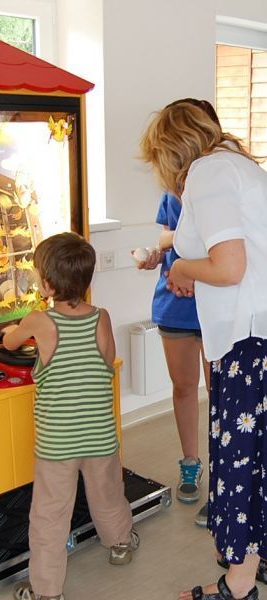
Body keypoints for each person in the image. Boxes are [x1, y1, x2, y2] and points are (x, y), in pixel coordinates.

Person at [140, 101, 267, 600]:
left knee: (239, 459)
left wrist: (181, 268)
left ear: (171, 149)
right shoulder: (236, 166)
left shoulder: (208, 173)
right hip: (256, 332)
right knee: (256, 460)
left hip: (248, 341)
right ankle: (250, 562)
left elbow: (229, 267)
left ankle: (237, 585)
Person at [2, 232, 137, 600]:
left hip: (58, 443)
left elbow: (9, 343)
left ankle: (46, 590)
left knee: (50, 513)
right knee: (108, 493)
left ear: (47, 284)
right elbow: (107, 363)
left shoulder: (38, 321)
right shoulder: (101, 318)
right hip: (100, 436)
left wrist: (13, 331)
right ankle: (121, 543)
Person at [136, 99, 219, 527]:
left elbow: (218, 248)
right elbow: (168, 236)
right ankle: (191, 463)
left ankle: (225, 479)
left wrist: (179, 251)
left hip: (215, 302)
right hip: (174, 302)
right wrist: (158, 254)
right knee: (184, 388)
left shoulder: (221, 186)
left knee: (222, 394)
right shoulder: (172, 189)